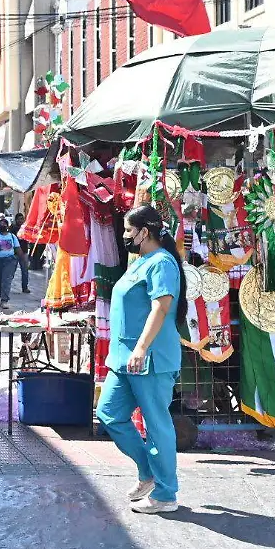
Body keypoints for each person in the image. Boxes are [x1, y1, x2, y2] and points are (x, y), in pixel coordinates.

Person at [95, 205, 186, 514]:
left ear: (144, 232)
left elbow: (161, 307)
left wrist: (141, 348)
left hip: (150, 358)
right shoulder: (141, 261)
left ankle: (165, 493)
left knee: (156, 424)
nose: (124, 235)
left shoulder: (162, 263)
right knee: (109, 414)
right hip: (123, 360)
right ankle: (149, 472)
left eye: (128, 230)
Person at [0, 217, 27, 310]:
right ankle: (1, 291)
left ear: (7, 226)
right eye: (1, 225)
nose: (3, 226)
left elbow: (18, 249)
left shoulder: (12, 237)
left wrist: (23, 260)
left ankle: (4, 300)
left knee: (6, 279)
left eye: (4, 224)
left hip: (9, 260)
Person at [11, 212, 31, 294]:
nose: (21, 220)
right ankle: (7, 286)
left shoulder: (25, 228)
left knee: (25, 271)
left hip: (24, 252)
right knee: (11, 271)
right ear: (16, 220)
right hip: (15, 252)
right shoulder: (13, 229)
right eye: (19, 219)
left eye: (22, 219)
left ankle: (25, 287)